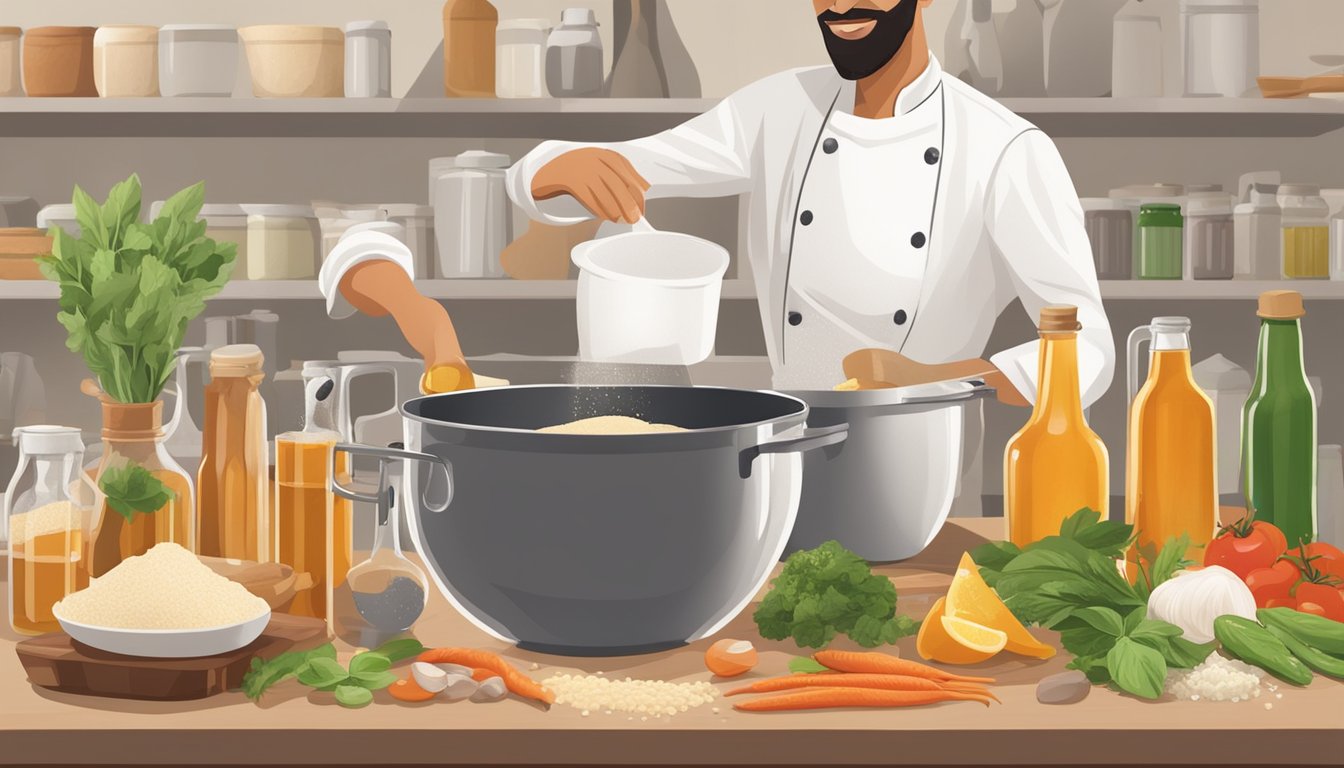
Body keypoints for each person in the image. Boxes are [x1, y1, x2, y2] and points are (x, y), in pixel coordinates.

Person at [320, 0, 1115, 514]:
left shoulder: (1006, 149)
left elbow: (1093, 349)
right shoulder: (780, 108)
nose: (838, 4)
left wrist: (933, 378)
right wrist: (549, 166)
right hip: (778, 476)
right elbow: (625, 163)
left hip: (919, 493)